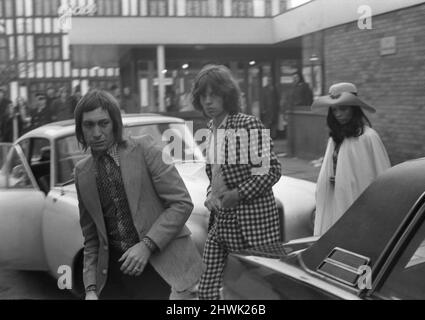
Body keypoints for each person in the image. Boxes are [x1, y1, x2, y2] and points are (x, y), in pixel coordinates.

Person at [73, 89, 203, 300]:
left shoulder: (145, 148)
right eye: (89, 125)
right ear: (80, 129)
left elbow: (181, 204)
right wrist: (90, 288)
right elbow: (91, 238)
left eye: (103, 123)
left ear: (115, 123)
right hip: (112, 274)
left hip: (158, 267)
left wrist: (147, 245)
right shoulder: (82, 171)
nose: (96, 133)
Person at [191, 65, 282, 300]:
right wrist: (212, 194)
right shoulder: (211, 129)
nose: (208, 101)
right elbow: (216, 174)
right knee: (207, 287)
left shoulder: (248, 125)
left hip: (253, 223)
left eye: (214, 94)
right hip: (221, 221)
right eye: (203, 96)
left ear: (227, 95)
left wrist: (238, 193)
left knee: (260, 289)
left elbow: (271, 170)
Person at [311, 82, 391, 236]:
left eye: (343, 108)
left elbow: (383, 176)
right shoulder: (335, 138)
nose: (338, 114)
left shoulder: (368, 137)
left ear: (354, 109)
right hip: (333, 199)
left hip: (358, 202)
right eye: (334, 110)